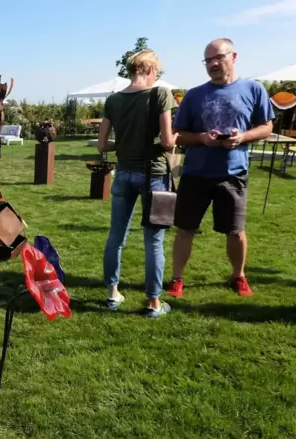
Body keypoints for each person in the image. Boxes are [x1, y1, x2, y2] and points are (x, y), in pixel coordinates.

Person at [167, 39, 274, 298]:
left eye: (219, 58)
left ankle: (239, 276)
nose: (213, 64)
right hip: (195, 173)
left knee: (235, 231)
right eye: (208, 60)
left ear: (234, 56)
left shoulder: (254, 89)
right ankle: (176, 279)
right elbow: (178, 134)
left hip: (233, 173)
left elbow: (267, 127)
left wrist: (242, 137)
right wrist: (203, 138)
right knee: (185, 229)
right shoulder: (193, 95)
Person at [97, 49, 177, 318]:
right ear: (150, 69)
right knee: (153, 241)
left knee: (116, 236)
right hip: (153, 174)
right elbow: (167, 141)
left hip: (123, 174)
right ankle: (153, 303)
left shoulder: (113, 100)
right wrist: (178, 138)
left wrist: (124, 144)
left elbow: (101, 145)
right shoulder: (160, 94)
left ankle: (112, 294)